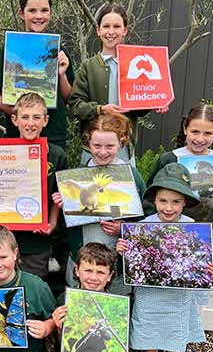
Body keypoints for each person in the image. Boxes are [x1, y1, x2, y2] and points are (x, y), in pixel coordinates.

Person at [116, 163, 213, 352]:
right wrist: (124, 250)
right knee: (148, 335)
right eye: (163, 201)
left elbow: (204, 264)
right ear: (154, 201)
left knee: (177, 337)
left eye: (176, 202)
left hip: (179, 297)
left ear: (185, 202)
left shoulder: (194, 228)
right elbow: (130, 265)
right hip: (149, 295)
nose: (169, 207)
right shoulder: (141, 227)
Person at [52, 112, 145, 294]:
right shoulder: (77, 176)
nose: (103, 152)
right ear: (88, 143)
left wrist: (124, 228)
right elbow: (67, 227)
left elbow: (147, 216)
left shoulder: (132, 177)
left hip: (116, 265)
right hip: (83, 259)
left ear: (121, 142)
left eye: (109, 146)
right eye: (97, 145)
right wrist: (65, 205)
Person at [68, 3, 168, 163]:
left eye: (117, 26)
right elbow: (76, 105)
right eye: (106, 26)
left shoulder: (135, 64)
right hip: (93, 149)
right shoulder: (89, 66)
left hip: (124, 147)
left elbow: (139, 109)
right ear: (98, 30)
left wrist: (155, 101)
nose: (111, 32)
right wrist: (100, 109)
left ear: (125, 30)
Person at [0, 0, 75, 149]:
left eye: (44, 10)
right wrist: (23, 117)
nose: (39, 16)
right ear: (21, 13)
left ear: (50, 13)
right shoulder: (8, 49)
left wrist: (62, 74)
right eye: (32, 10)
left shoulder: (58, 50)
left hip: (53, 134)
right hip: (18, 134)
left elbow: (68, 98)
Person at [10, 92, 67, 280]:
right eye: (25, 117)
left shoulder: (57, 155)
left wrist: (51, 223)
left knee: (35, 285)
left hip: (38, 238)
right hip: (7, 236)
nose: (30, 123)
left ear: (46, 120)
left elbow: (58, 195)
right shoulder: (2, 151)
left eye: (36, 117)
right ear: (14, 119)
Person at [147, 104, 213, 185]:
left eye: (208, 133)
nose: (200, 139)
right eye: (195, 132)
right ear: (185, 129)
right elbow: (151, 192)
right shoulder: (168, 160)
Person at [52, 242, 116, 330]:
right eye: (88, 270)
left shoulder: (116, 305)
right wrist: (59, 328)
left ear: (110, 276)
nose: (93, 278)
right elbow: (60, 341)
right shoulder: (64, 299)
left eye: (100, 272)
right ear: (77, 270)